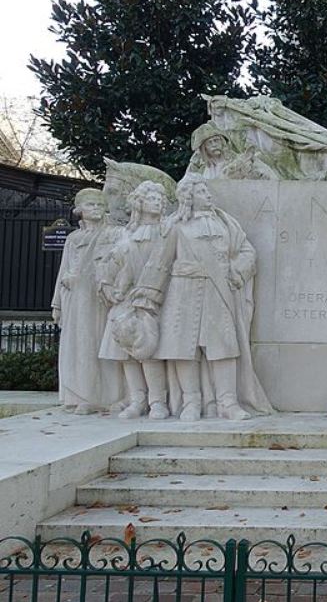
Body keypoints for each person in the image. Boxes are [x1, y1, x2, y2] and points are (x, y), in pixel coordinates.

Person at [135, 175, 274, 421]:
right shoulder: (175, 225)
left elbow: (246, 251)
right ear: (189, 197)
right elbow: (159, 262)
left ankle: (228, 403)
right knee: (182, 349)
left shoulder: (225, 223)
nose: (208, 195)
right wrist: (147, 297)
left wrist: (236, 269)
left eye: (207, 191)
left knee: (224, 348)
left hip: (218, 290)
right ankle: (191, 402)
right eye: (201, 192)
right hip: (182, 291)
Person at [99, 181, 170, 419]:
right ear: (139, 203)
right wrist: (109, 288)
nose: (158, 202)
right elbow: (109, 264)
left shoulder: (166, 231)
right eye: (152, 198)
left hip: (154, 297)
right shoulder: (126, 233)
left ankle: (158, 401)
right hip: (126, 299)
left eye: (160, 199)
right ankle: (137, 399)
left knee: (149, 350)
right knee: (126, 353)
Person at [51, 189, 124, 413]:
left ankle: (106, 396)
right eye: (90, 204)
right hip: (75, 298)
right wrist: (57, 304)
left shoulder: (114, 234)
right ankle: (81, 395)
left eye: (99, 204)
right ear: (79, 210)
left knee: (101, 344)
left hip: (100, 298)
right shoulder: (73, 238)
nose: (95, 208)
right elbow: (64, 269)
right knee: (79, 345)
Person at [186, 122, 278, 180]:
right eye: (210, 143)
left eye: (216, 140)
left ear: (222, 142)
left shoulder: (237, 160)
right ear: (204, 148)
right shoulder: (200, 169)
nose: (214, 144)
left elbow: (268, 176)